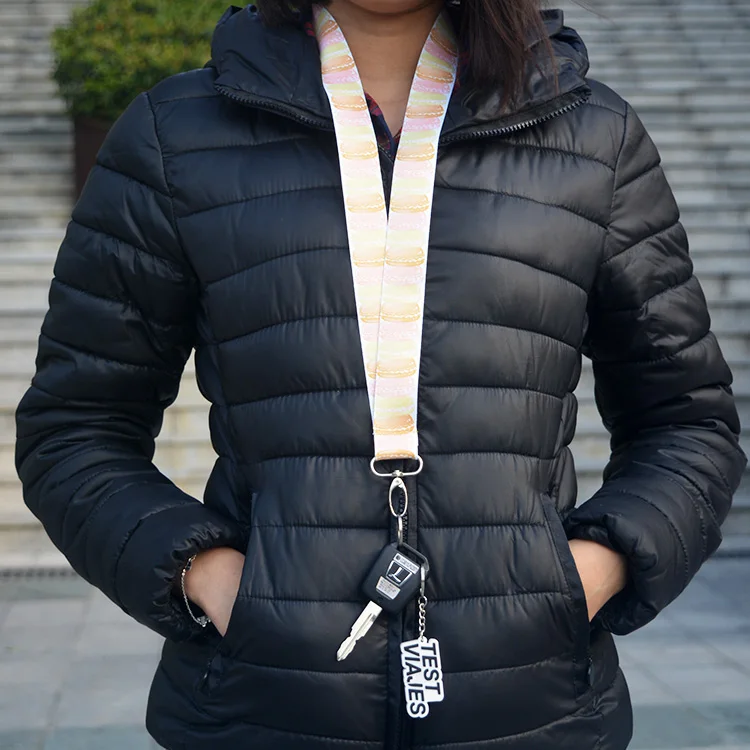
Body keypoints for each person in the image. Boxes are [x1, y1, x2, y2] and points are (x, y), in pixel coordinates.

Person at [15, 1, 746, 748]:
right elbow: (75, 429)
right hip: (260, 713)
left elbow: (688, 423)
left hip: (537, 712)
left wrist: (581, 578)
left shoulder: (592, 137)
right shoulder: (177, 136)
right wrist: (212, 579)